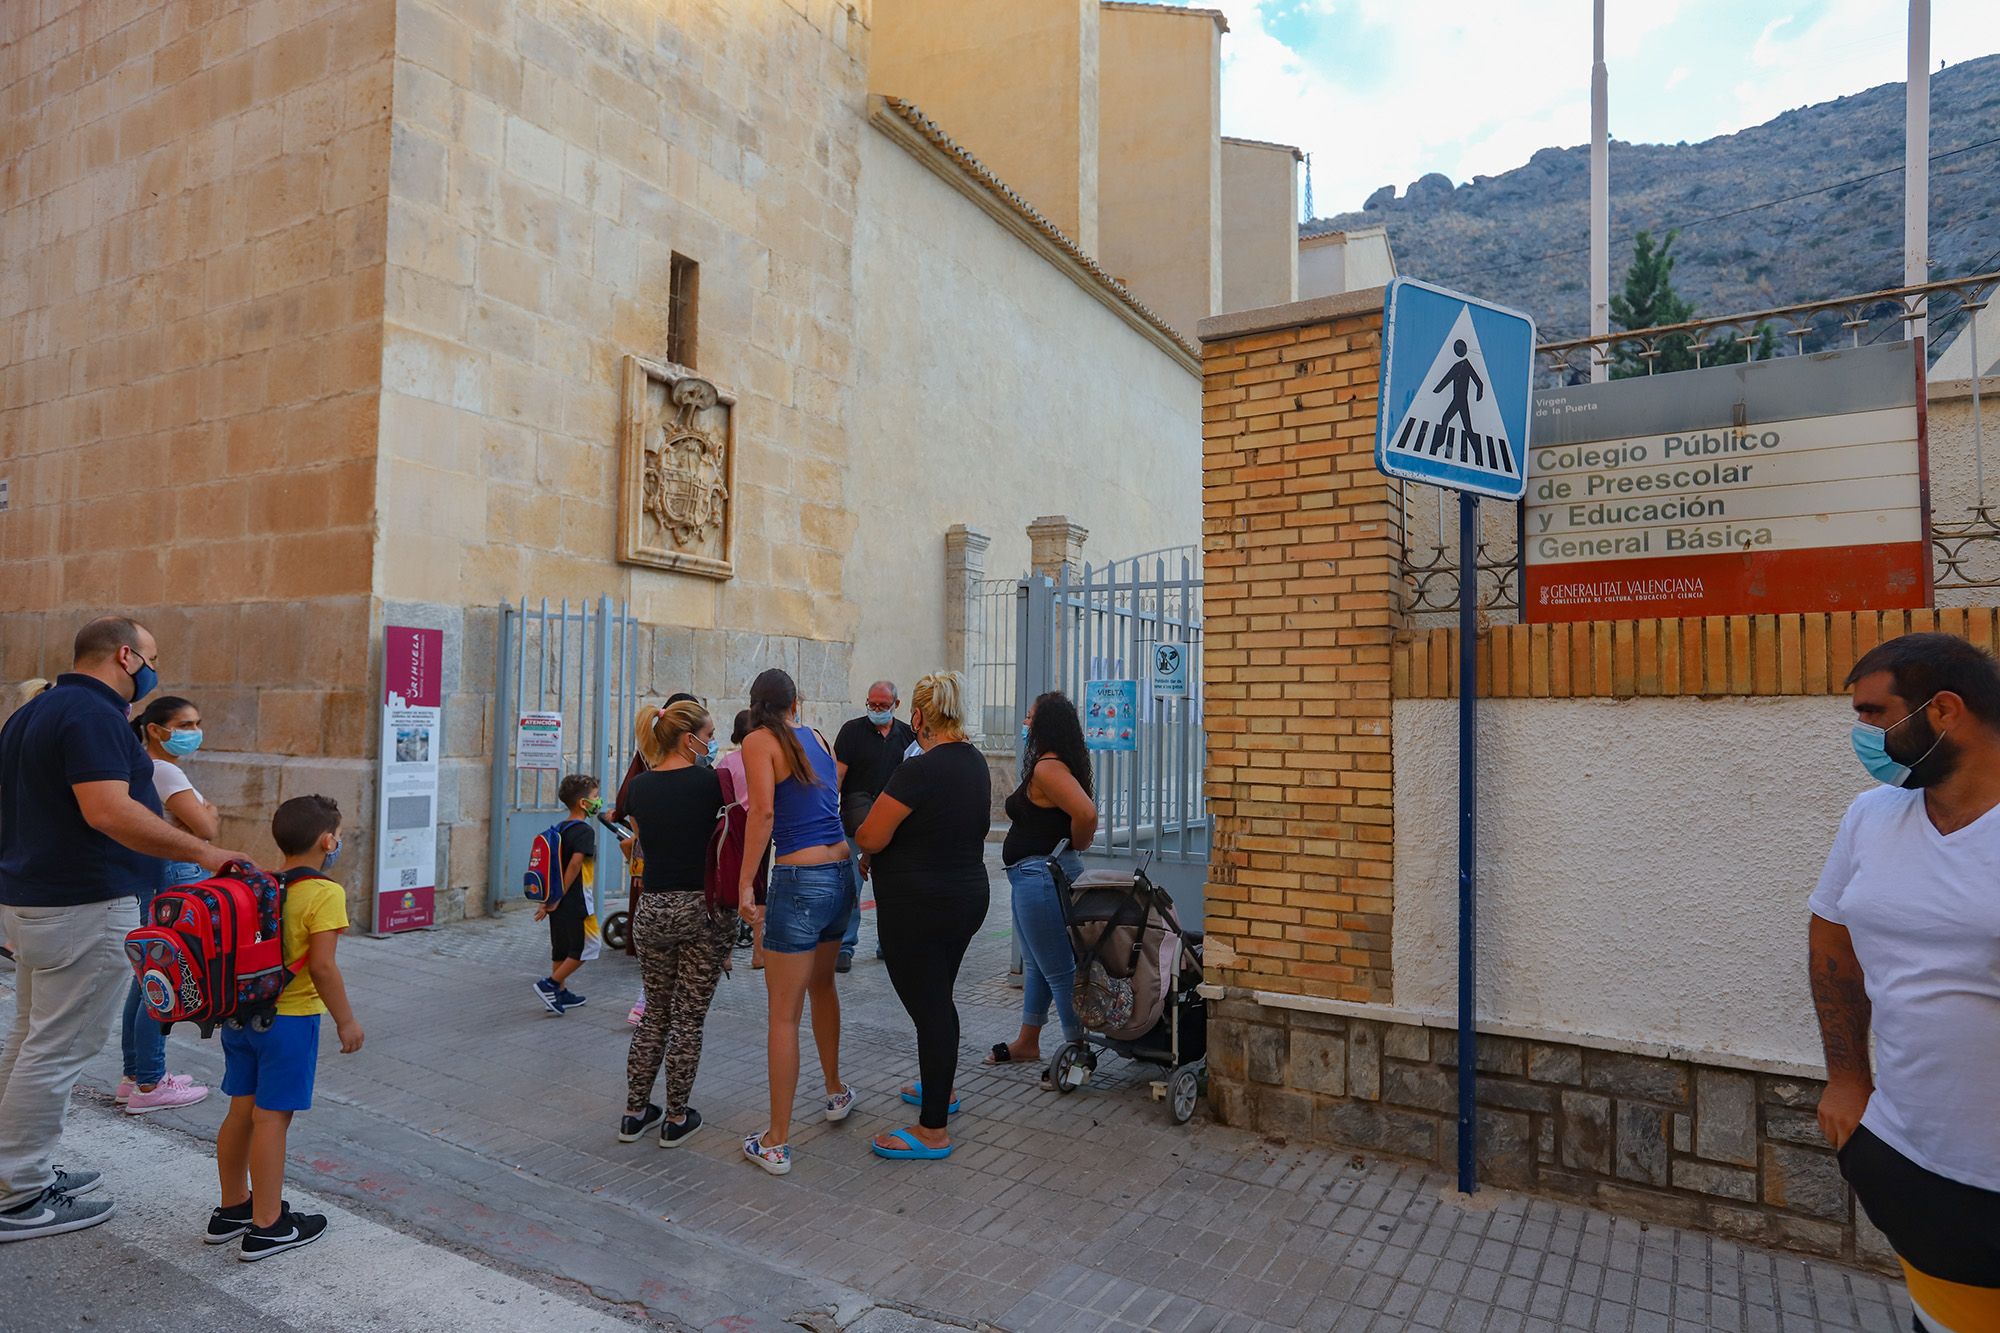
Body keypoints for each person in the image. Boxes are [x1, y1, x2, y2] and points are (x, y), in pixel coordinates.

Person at [0, 616, 249, 1243]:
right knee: (57, 1050)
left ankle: (13, 1170)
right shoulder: (95, 716)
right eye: (154, 658)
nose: (155, 670)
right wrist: (205, 853)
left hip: (40, 901)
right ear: (126, 655)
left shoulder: (35, 712)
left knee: (33, 1041)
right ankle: (20, 1194)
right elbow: (109, 811)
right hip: (83, 903)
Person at [1813, 633, 2000, 1331]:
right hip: (1904, 1159)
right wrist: (1847, 1079)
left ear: (1945, 709)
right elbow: (1831, 933)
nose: (1863, 735)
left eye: (1873, 713)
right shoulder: (1871, 818)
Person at [210, 794, 363, 1261]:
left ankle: (233, 1207)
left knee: (242, 1111)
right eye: (337, 834)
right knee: (273, 1118)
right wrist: (346, 1021)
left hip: (240, 1018)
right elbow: (322, 967)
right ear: (327, 840)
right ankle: (269, 1224)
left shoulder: (263, 886)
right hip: (290, 1022)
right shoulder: (325, 893)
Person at [855, 671, 992, 1161]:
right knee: (938, 1000)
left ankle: (933, 1128)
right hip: (965, 898)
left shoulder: (918, 770)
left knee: (931, 1009)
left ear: (917, 717)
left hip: (920, 906)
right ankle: (942, 1089)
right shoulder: (975, 763)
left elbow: (870, 836)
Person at [736, 669, 854, 1175]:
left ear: (756, 705)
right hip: (840, 872)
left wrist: (745, 884)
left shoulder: (758, 742)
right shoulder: (819, 736)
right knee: (823, 987)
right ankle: (835, 1090)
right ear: (796, 701)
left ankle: (777, 1140)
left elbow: (762, 814)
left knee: (783, 1014)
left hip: (800, 880)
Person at [619, 700, 734, 1148]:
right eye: (708, 735)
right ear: (690, 739)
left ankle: (634, 1113)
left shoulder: (641, 788)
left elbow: (639, 845)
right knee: (687, 1019)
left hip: (651, 909)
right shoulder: (711, 784)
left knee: (655, 1016)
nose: (711, 742)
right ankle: (676, 1117)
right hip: (698, 910)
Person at [987, 692, 1098, 1075]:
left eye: (1031, 717)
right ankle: (1028, 1041)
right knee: (1036, 963)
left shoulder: (1048, 769)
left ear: (1045, 724)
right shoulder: (1053, 765)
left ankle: (1077, 1054)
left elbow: (1086, 814)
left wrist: (1078, 843)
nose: (1026, 724)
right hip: (1030, 875)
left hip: (1040, 875)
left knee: (1058, 968)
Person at [117, 695, 216, 1115]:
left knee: (147, 976)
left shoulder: (146, 766)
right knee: (164, 976)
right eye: (186, 724)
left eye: (196, 723)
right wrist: (209, 811)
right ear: (157, 730)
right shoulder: (165, 771)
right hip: (178, 876)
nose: (194, 733)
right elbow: (207, 825)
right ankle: (151, 1083)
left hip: (159, 875)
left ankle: (135, 1076)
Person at [613, 694, 699, 1026]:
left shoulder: (646, 762)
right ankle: (652, 999)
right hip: (681, 875)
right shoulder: (698, 774)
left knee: (658, 946)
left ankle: (648, 999)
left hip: (652, 873)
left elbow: (625, 805)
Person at [832, 680, 915, 972]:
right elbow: (837, 777)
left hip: (895, 829)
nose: (877, 710)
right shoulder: (851, 732)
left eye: (883, 705)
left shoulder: (907, 735)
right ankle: (845, 946)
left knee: (891, 890)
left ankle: (888, 945)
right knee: (851, 888)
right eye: (872, 704)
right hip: (856, 825)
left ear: (897, 705)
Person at [533, 774, 601, 1015]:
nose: (598, 801)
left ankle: (559, 993)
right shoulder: (584, 831)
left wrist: (549, 899)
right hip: (576, 899)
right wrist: (560, 895)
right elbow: (574, 865)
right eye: (595, 797)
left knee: (560, 947)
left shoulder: (560, 828)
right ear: (583, 803)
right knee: (587, 947)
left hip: (557, 900)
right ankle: (549, 984)